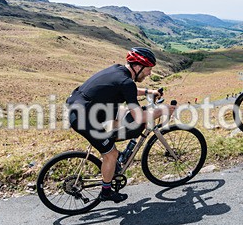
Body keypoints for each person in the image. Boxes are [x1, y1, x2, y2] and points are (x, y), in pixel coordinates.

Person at [66, 47, 172, 203]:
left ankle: (110, 144)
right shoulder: (126, 82)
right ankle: (106, 192)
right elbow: (139, 117)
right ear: (138, 67)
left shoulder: (119, 71)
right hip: (84, 118)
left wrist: (149, 92)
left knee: (121, 113)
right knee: (111, 154)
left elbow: (128, 89)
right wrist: (163, 110)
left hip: (83, 107)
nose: (149, 73)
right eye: (148, 69)